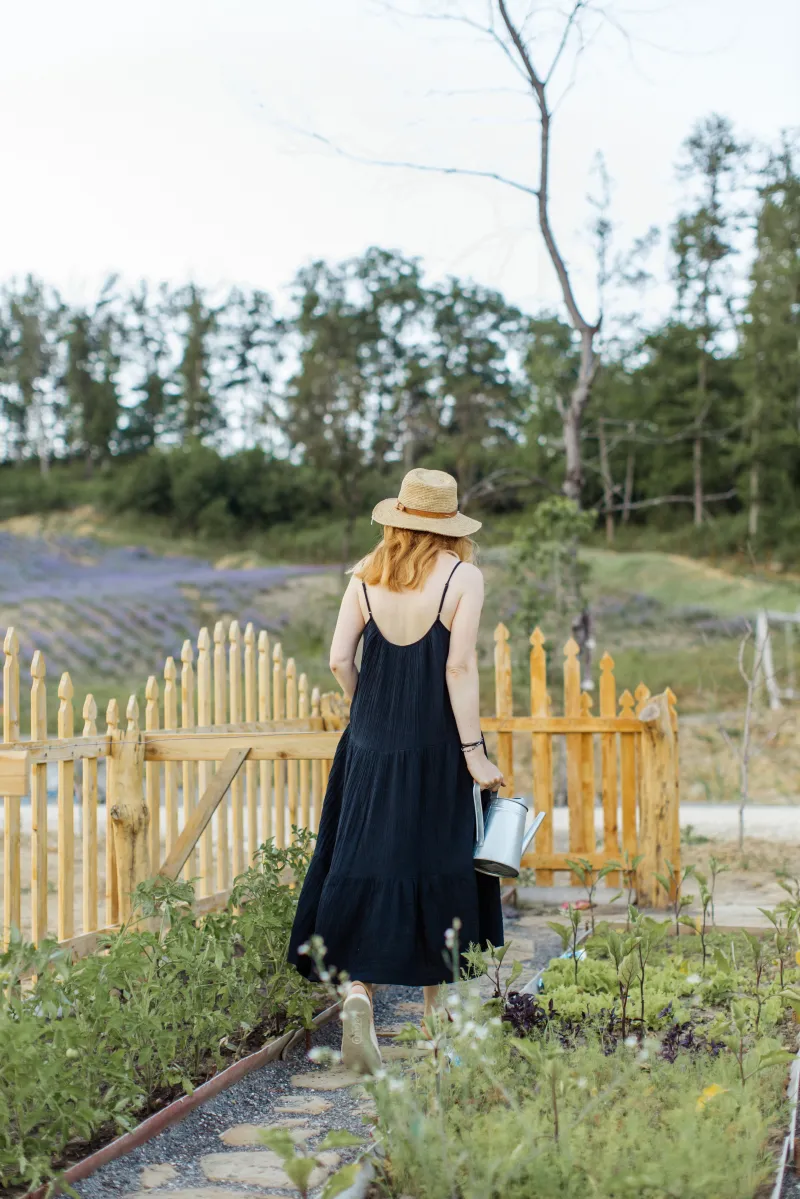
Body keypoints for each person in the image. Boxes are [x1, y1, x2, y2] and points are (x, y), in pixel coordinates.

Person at [288, 468, 505, 1074]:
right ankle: (434, 1021)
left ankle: (358, 993)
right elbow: (458, 670)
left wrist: (369, 711)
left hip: (369, 745)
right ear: (450, 525)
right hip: (437, 746)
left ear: (398, 519)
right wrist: (473, 754)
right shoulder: (463, 578)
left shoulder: (365, 574)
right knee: (436, 860)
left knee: (364, 858)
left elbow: (337, 659)